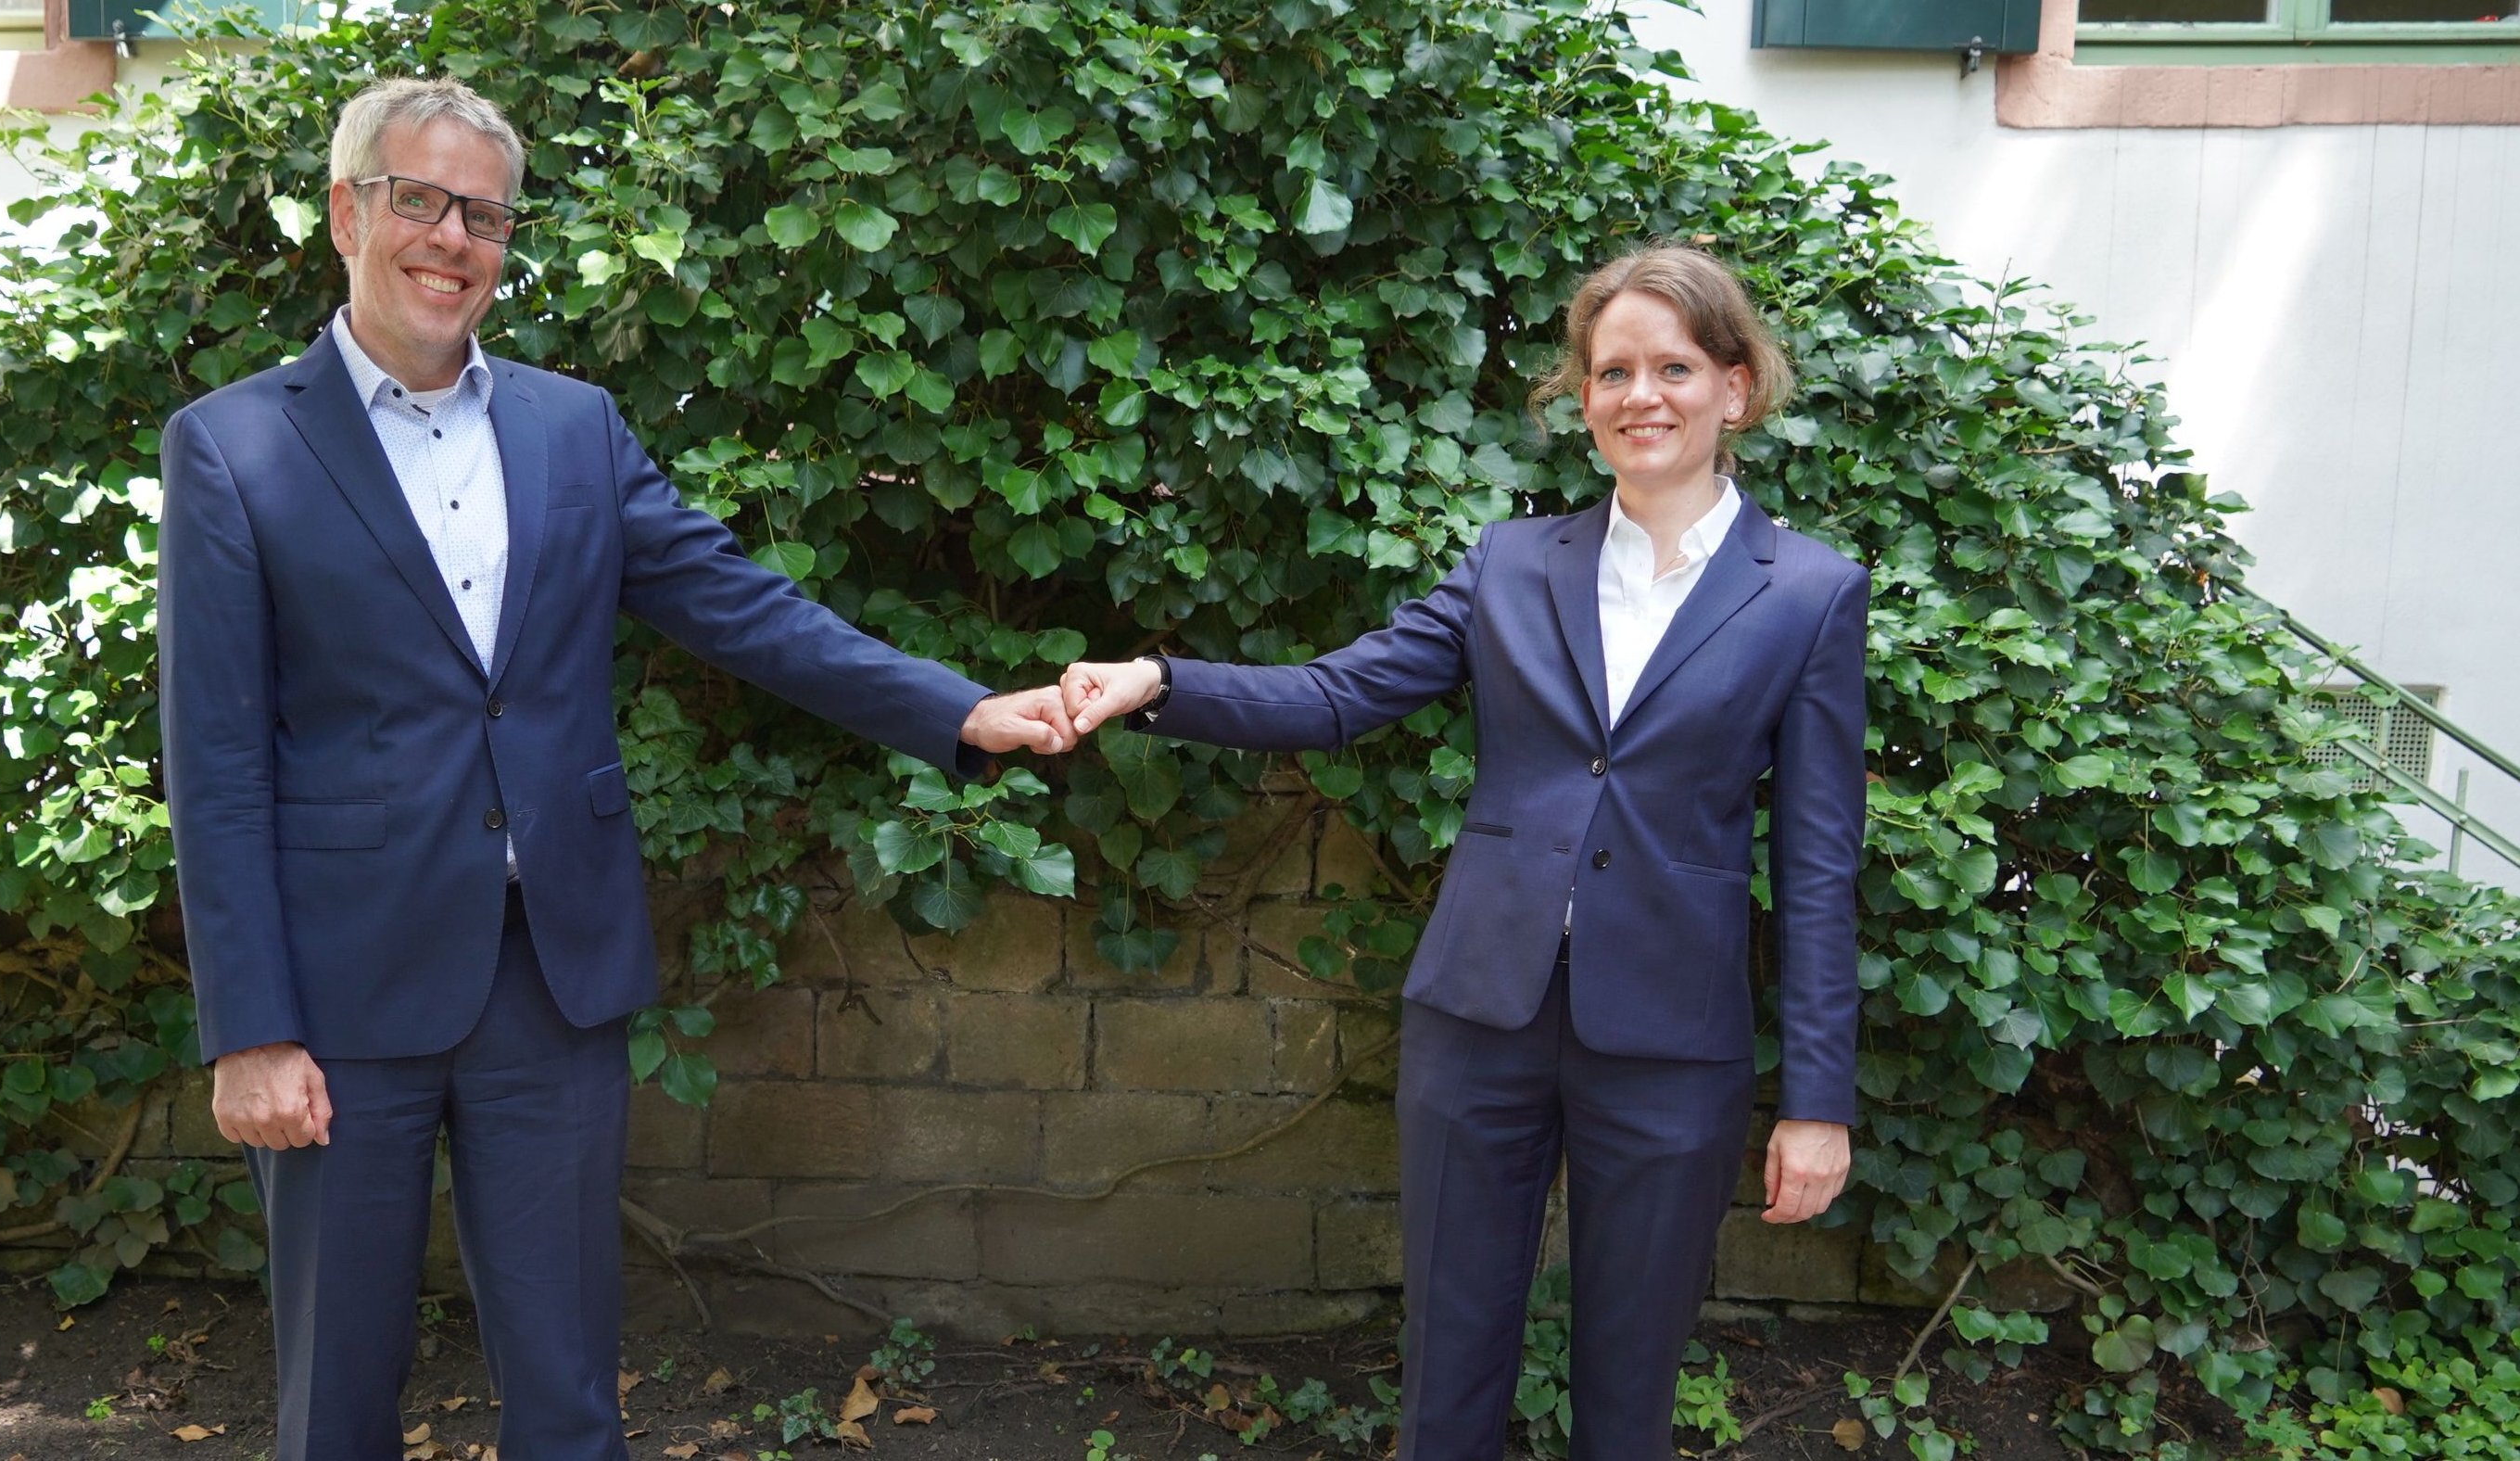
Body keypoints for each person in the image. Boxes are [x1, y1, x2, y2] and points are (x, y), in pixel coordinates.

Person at [156, 77, 1073, 1461]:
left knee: (572, 1391)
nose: (452, 238)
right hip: (341, 995)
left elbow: (740, 607)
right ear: (347, 214)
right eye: (420, 201)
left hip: (553, 976)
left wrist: (962, 711)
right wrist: (250, 1028)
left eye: (484, 216)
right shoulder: (234, 445)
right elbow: (217, 760)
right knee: (335, 1402)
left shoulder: (571, 425)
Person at [1059, 243, 1868, 1459]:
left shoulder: (1808, 593)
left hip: (1669, 1039)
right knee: (1447, 1372)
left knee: (1628, 1391)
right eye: (1611, 372)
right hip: (1479, 1015)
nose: (1640, 395)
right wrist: (1157, 683)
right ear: (1582, 398)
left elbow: (1814, 867)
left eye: (1673, 367)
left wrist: (1815, 1102)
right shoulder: (1509, 564)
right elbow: (1337, 695)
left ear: (1735, 387)